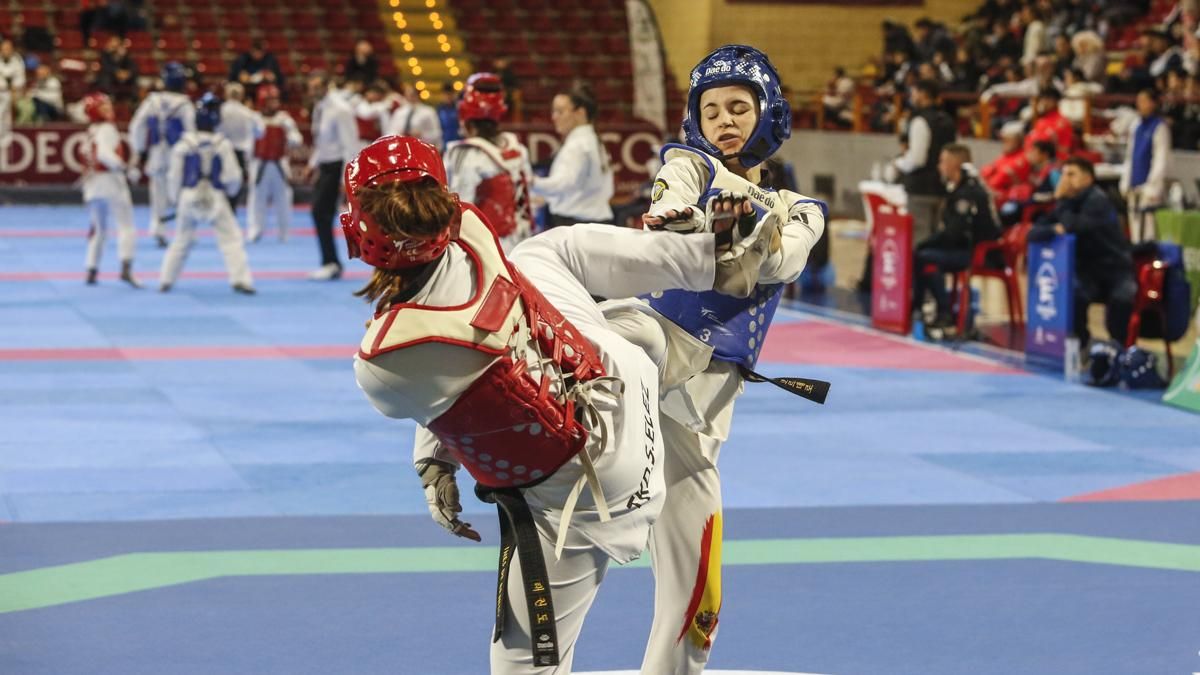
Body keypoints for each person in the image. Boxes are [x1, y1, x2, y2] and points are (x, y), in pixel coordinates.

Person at [347, 135, 781, 673]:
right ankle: (708, 258)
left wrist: (432, 459)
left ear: (358, 230)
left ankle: (689, 283)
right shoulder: (473, 232)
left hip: (593, 485)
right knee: (545, 253)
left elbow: (437, 394)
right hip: (627, 373)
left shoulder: (384, 362)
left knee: (523, 662)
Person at [598, 45, 826, 674]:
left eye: (739, 108)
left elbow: (782, 262)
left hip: (701, 415)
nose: (725, 120)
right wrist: (682, 218)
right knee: (602, 341)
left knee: (699, 598)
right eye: (712, 109)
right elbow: (675, 193)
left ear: (768, 114)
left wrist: (745, 231)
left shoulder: (800, 210)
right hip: (647, 348)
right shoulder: (687, 164)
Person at [1029, 157, 1136, 345]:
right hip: (1089, 271)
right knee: (1074, 294)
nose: (1065, 180)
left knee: (1122, 300)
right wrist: (1054, 229)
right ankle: (1081, 345)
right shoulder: (1070, 202)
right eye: (1063, 174)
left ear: (1088, 179)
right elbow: (1034, 233)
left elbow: (1074, 226)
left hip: (1115, 268)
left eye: (1072, 174)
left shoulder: (1098, 200)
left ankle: (1119, 349)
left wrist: (1060, 200)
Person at [159, 93, 255, 295]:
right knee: (231, 239)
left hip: (189, 194)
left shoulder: (183, 145)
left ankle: (166, 280)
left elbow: (173, 177)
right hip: (216, 196)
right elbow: (233, 177)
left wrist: (175, 199)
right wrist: (230, 194)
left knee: (181, 240)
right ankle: (240, 279)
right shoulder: (222, 145)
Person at [912, 144, 1001, 328]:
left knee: (925, 258)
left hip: (980, 253)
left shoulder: (967, 193)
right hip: (966, 247)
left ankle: (943, 312)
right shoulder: (960, 188)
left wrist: (923, 244)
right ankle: (918, 307)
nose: (939, 166)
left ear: (955, 165)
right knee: (922, 254)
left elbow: (953, 233)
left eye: (943, 162)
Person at [443, 73, 534, 251]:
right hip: (521, 243)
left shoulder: (467, 154)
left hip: (483, 248)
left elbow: (459, 210)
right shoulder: (517, 149)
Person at [530, 83, 615, 227]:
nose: (554, 117)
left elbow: (564, 183)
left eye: (560, 111)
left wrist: (530, 182)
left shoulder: (578, 145)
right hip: (594, 222)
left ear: (580, 113)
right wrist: (549, 198)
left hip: (575, 225)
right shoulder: (594, 140)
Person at [129, 62, 194, 248]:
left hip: (157, 153)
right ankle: (183, 232)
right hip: (178, 154)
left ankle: (159, 230)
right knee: (181, 194)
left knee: (158, 195)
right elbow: (191, 131)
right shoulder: (184, 104)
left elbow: (137, 126)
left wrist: (139, 149)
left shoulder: (153, 101)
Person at [81, 92, 140, 288]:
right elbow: (104, 155)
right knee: (126, 226)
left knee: (98, 229)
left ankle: (91, 269)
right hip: (111, 182)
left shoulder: (91, 131)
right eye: (104, 106)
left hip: (93, 185)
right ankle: (126, 268)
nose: (110, 109)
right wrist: (124, 168)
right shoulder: (106, 129)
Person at [305, 70, 358, 280]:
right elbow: (321, 141)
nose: (312, 91)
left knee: (320, 212)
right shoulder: (320, 107)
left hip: (336, 166)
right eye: (311, 87)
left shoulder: (340, 110)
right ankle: (330, 262)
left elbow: (349, 145)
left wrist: (346, 178)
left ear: (326, 86)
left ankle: (331, 262)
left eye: (316, 87)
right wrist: (312, 163)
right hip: (325, 165)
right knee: (320, 214)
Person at [889, 78, 956, 241]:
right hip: (942, 187)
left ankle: (920, 267)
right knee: (936, 236)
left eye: (914, 92)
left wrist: (898, 163)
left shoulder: (920, 120)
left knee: (920, 238)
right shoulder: (947, 120)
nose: (911, 96)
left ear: (924, 95)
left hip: (921, 189)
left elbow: (917, 159)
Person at [247, 83, 302, 243]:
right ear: (263, 101)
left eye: (276, 100)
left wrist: (292, 139)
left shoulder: (284, 119)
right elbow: (248, 141)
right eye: (271, 100)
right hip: (260, 163)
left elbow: (296, 137)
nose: (275, 104)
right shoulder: (254, 118)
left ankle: (284, 232)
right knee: (257, 198)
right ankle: (255, 230)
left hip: (279, 162)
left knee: (283, 199)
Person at [1120, 88, 1171, 242]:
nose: (1139, 104)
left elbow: (1161, 159)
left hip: (1149, 188)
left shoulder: (1160, 127)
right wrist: (1126, 180)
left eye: (1144, 101)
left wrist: (1152, 186)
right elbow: (1130, 156)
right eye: (1138, 101)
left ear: (1154, 103)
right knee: (1135, 230)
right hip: (1134, 184)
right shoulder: (1136, 125)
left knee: (1149, 231)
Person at [218, 82, 258, 214]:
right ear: (241, 96)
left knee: (221, 184)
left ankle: (223, 210)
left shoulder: (220, 110)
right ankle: (231, 209)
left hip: (222, 151)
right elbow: (259, 132)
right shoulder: (247, 113)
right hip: (239, 153)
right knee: (235, 186)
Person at [980, 120, 1030, 207]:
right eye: (1003, 140)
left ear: (1018, 140)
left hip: (1008, 200)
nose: (1004, 143)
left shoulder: (1021, 159)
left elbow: (998, 181)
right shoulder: (1005, 156)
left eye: (1007, 140)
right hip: (993, 194)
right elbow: (984, 172)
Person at [385, 80, 443, 150]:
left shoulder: (428, 112)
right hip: (401, 147)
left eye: (412, 94)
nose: (409, 96)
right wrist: (398, 135)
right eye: (407, 94)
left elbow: (436, 133)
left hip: (421, 148)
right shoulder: (399, 112)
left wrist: (422, 135)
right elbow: (390, 131)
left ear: (417, 94)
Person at [1024, 87, 1075, 160]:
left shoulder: (1063, 122)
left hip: (1055, 161)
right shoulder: (1041, 120)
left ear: (1056, 101)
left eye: (1047, 99)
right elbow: (1029, 140)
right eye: (1042, 99)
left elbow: (1048, 143)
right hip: (1035, 159)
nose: (1044, 102)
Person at [96, 35, 138, 102]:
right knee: (105, 77)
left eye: (117, 44)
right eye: (113, 44)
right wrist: (117, 72)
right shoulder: (105, 54)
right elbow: (106, 67)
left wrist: (128, 73)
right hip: (111, 76)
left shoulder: (124, 54)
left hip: (122, 76)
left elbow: (133, 66)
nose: (115, 46)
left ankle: (133, 100)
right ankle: (109, 97)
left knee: (134, 77)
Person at [436, 81, 461, 147]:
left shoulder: (459, 108)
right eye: (446, 94)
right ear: (442, 95)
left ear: (454, 94)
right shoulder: (439, 110)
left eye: (450, 94)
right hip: (444, 144)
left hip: (458, 143)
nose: (448, 97)